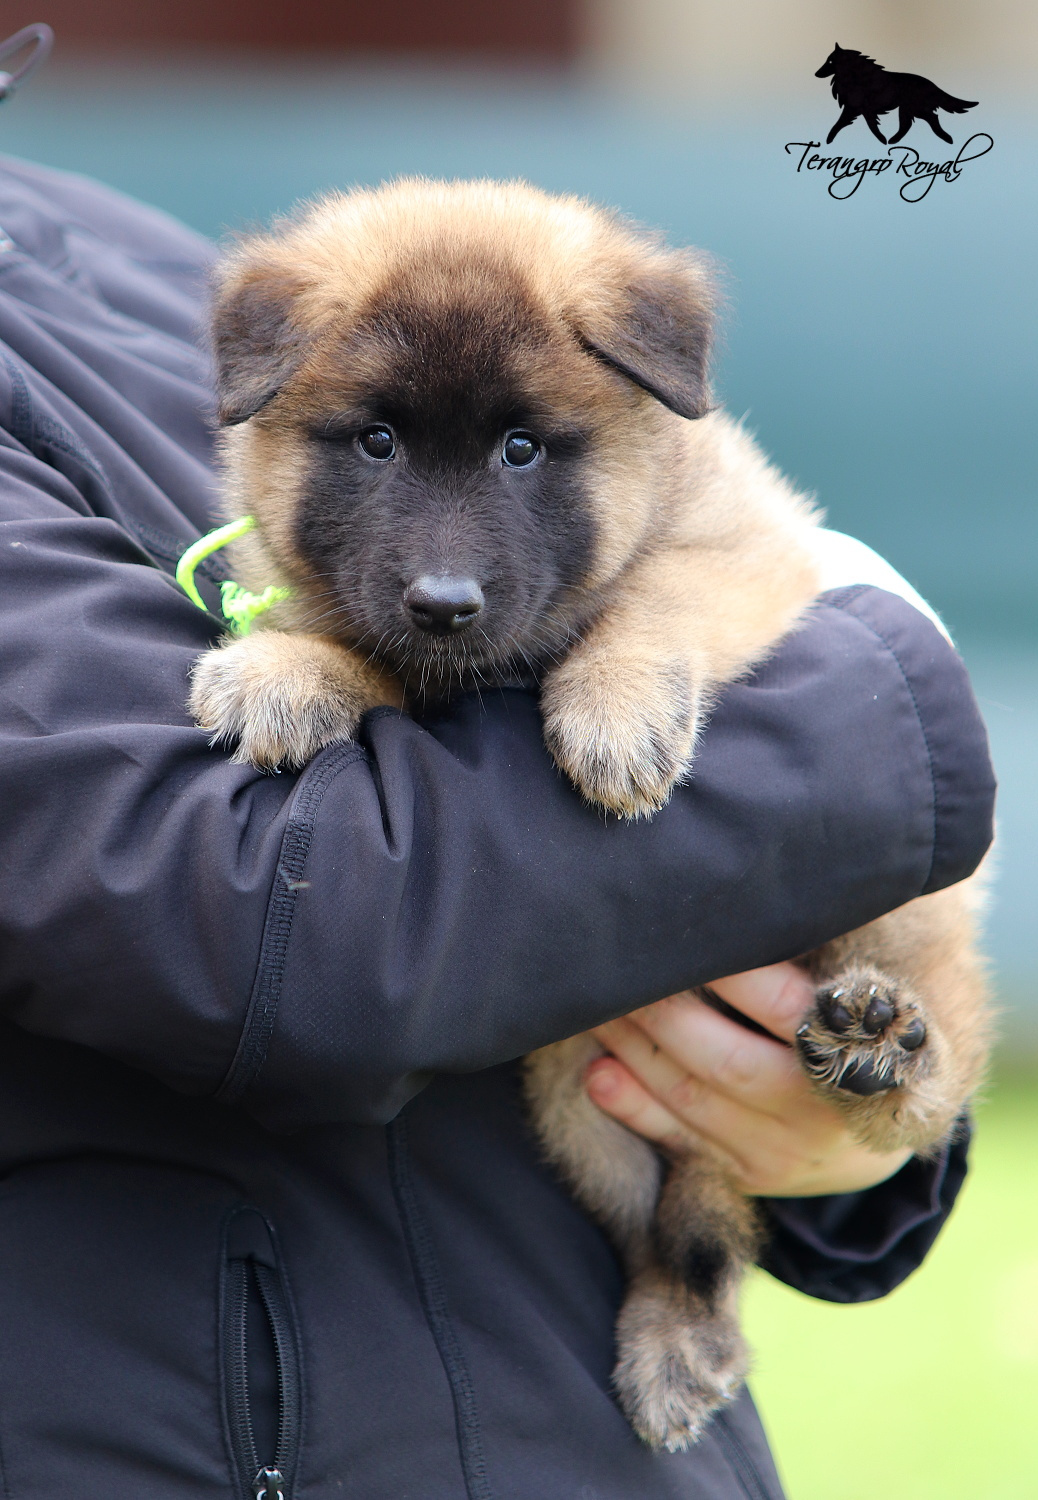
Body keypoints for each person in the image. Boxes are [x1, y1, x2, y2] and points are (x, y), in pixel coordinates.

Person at [0, 156, 993, 1500]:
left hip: (562, 1383)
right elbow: (249, 903)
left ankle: (754, 1194)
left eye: (525, 449)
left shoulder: (106, 241)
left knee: (869, 989)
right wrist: (884, 688)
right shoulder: (264, 303)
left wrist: (851, 1152)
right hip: (193, 1417)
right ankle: (690, 1253)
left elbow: (748, 573)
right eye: (375, 444)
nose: (444, 566)